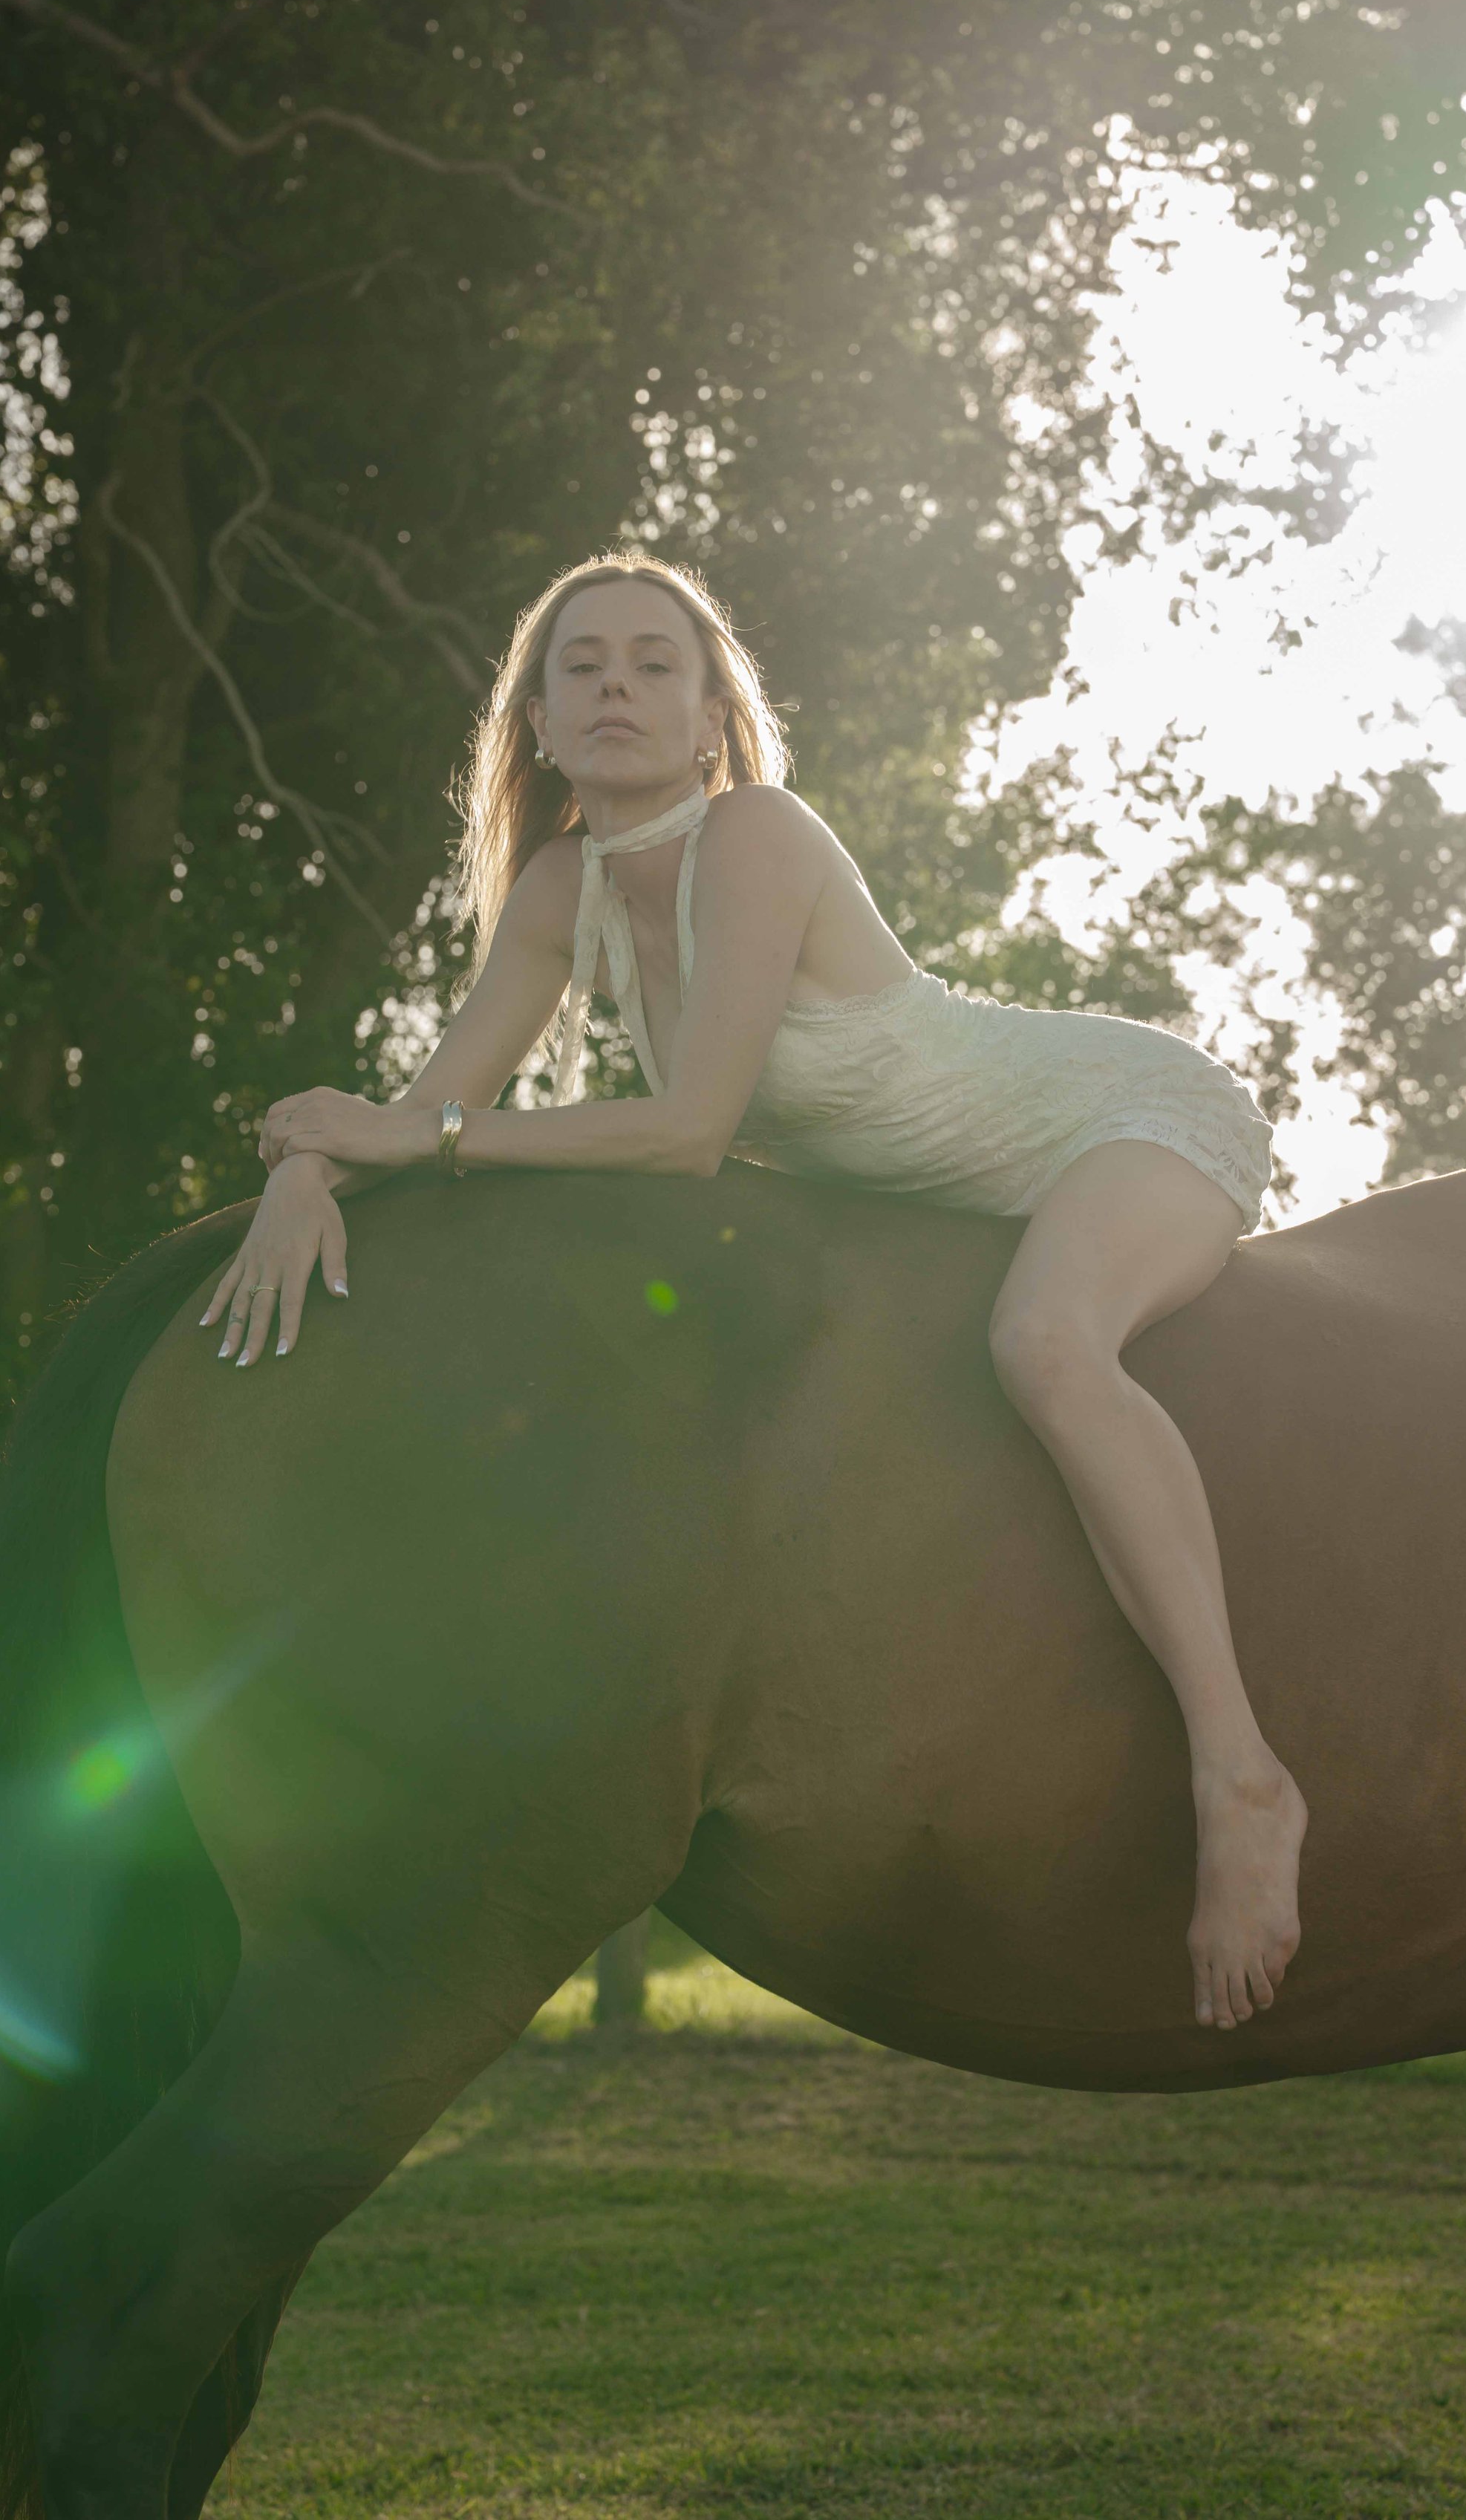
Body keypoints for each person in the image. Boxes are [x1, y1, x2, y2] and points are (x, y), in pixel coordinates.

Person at [206, 555, 1305, 2031]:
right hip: (956, 1190)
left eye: (654, 663)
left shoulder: (758, 837)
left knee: (1042, 1341)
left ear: (713, 713)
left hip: (1118, 1122)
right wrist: (300, 1175)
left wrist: (412, 1141)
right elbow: (418, 1105)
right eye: (580, 664)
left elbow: (684, 1131)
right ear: (532, 721)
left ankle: (1240, 1774)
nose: (614, 685)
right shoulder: (557, 892)